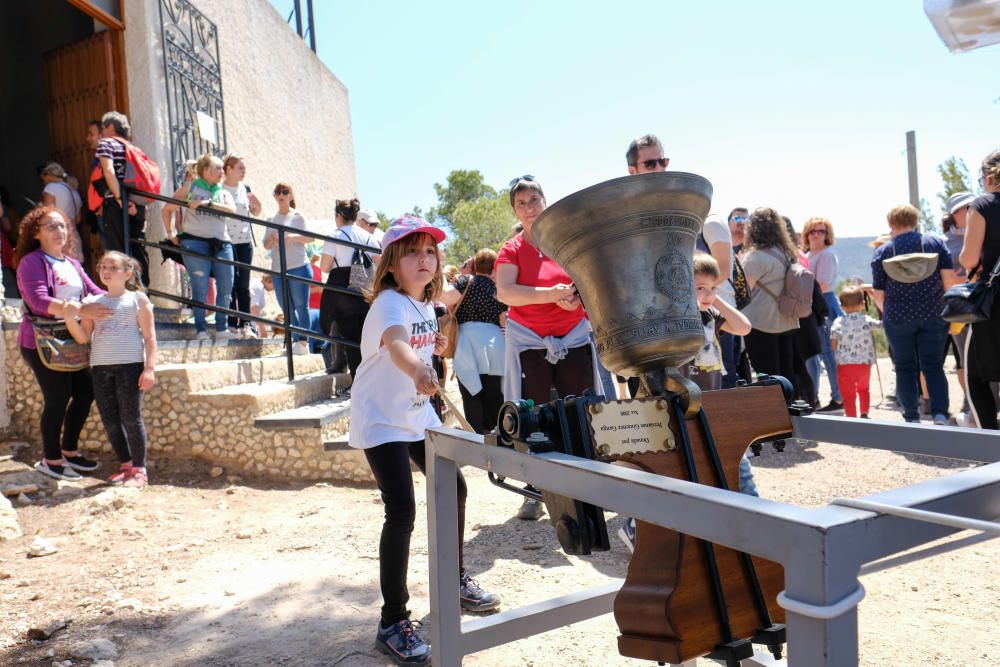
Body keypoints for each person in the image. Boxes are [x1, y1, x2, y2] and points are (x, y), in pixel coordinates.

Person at [348, 216, 499, 665]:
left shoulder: (422, 306)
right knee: (402, 510)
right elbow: (396, 345)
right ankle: (392, 621)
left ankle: (452, 581)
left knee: (455, 487)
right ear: (392, 265)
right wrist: (416, 369)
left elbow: (422, 345)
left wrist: (430, 363)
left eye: (430, 251)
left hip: (414, 418)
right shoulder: (390, 304)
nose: (424, 259)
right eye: (412, 251)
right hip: (381, 422)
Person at [496, 176, 601, 521]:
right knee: (533, 415)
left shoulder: (565, 242)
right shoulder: (511, 250)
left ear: (545, 200)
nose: (530, 207)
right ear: (515, 209)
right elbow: (506, 294)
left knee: (582, 410)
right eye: (522, 202)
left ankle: (588, 487)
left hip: (573, 336)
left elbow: (589, 279)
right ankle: (534, 490)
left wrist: (574, 299)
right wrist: (553, 294)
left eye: (534, 199)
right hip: (529, 341)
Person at [15, 206, 111, 481]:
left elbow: (94, 293)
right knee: (57, 399)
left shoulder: (72, 264)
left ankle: (69, 451)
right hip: (41, 343)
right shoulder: (31, 263)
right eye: (51, 226)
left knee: (85, 393)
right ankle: (51, 458)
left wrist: (121, 299)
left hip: (72, 340)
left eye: (62, 226)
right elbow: (38, 301)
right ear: (36, 233)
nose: (59, 231)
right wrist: (81, 309)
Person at [64, 251, 157, 488]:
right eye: (102, 267)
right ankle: (125, 464)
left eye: (112, 267)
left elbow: (149, 337)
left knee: (131, 418)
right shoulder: (92, 304)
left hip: (130, 367)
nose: (105, 271)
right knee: (110, 419)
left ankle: (140, 469)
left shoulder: (138, 300)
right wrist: (69, 318)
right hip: (100, 368)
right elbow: (84, 337)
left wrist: (149, 369)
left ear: (127, 273)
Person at [870, 204, 955, 424]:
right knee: (934, 366)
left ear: (891, 224)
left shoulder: (883, 251)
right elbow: (949, 281)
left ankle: (911, 417)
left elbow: (878, 294)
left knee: (905, 368)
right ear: (915, 221)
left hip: (898, 317)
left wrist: (888, 312)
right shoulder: (934, 243)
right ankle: (939, 414)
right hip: (934, 313)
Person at [163, 154, 237, 340]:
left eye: (222, 168)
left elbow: (232, 210)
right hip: (194, 243)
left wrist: (208, 203)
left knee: (226, 286)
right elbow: (167, 209)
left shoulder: (223, 192)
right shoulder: (191, 187)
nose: (222, 172)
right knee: (200, 288)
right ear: (205, 171)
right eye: (217, 168)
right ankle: (201, 330)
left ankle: (222, 328)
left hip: (221, 244)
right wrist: (171, 233)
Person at [959, 151, 1000, 429]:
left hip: (993, 302)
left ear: (987, 177)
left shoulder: (983, 205)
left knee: (976, 374)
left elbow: (969, 259)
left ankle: (990, 446)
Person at [739, 207, 801, 382]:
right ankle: (789, 406)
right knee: (786, 373)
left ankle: (775, 409)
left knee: (766, 375)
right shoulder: (786, 253)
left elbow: (743, 291)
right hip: (787, 321)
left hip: (760, 324)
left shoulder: (755, 257)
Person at [450, 248, 508, 434]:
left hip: (468, 340)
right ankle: (497, 430)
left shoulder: (465, 281)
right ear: (494, 267)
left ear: (475, 265)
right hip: (495, 341)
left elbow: (447, 299)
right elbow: (503, 319)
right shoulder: (498, 287)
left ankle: (475, 430)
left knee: (470, 389)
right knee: (493, 389)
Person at [320, 198, 377, 381]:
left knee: (351, 340)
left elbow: (324, 266)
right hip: (366, 289)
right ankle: (371, 382)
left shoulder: (334, 235)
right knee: (367, 339)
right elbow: (380, 261)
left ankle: (358, 384)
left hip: (343, 290)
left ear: (338, 215)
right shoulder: (368, 236)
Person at [95, 111, 149, 282]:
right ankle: (142, 289)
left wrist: (119, 199)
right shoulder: (132, 148)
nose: (102, 132)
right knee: (137, 246)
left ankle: (123, 291)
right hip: (137, 203)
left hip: (117, 202)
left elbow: (109, 171)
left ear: (111, 127)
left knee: (117, 250)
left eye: (103, 128)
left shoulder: (106, 143)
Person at [262, 182, 312, 356]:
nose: (281, 194)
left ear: (290, 196)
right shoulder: (271, 220)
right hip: (278, 268)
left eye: (285, 191)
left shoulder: (298, 216)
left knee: (301, 306)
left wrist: (291, 237)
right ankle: (296, 341)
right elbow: (266, 245)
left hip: (299, 265)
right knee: (287, 308)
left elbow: (309, 238)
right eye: (278, 192)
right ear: (275, 196)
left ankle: (303, 343)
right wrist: (273, 239)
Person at [802, 217, 845, 413]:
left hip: (823, 305)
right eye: (812, 231)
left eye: (820, 231)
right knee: (810, 354)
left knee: (827, 353)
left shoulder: (826, 255)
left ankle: (838, 398)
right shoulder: (807, 254)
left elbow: (823, 284)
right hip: (808, 306)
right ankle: (813, 396)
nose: (816, 234)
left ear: (827, 235)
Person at [221, 153, 263, 335]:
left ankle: (246, 324)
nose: (243, 172)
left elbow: (256, 212)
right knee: (230, 283)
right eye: (240, 168)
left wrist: (257, 205)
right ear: (228, 169)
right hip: (227, 242)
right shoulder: (220, 189)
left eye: (244, 168)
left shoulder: (245, 188)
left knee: (243, 285)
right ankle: (231, 323)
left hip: (245, 243)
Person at [830, 285, 881, 419]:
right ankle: (864, 412)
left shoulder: (838, 322)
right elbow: (882, 324)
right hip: (864, 364)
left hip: (845, 365)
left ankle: (852, 417)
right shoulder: (867, 320)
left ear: (841, 306)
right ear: (862, 304)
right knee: (864, 389)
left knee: (848, 394)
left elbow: (833, 343)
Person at [39, 162, 84, 262]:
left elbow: (47, 212)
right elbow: (78, 219)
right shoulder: (74, 191)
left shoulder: (51, 188)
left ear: (49, 175)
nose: (44, 181)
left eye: (43, 178)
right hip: (73, 234)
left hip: (57, 233)